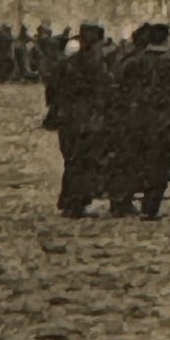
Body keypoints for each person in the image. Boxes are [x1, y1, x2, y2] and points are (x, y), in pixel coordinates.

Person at [114, 23, 170, 220]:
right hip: (162, 121)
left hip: (134, 119)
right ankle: (150, 207)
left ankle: (122, 201)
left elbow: (119, 89)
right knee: (158, 163)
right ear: (166, 39)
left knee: (132, 160)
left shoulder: (132, 62)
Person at [43, 23, 114, 218]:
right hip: (90, 121)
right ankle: (76, 203)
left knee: (71, 161)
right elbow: (107, 92)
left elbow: (51, 91)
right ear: (97, 42)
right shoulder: (97, 66)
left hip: (68, 120)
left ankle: (69, 201)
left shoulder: (66, 64)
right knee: (85, 162)